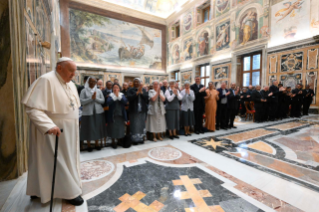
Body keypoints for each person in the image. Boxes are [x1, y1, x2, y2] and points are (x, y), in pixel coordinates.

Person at [22, 57, 83, 205]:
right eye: (70, 71)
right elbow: (32, 108)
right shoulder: (46, 80)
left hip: (70, 131)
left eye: (74, 72)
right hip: (53, 131)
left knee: (66, 159)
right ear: (59, 67)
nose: (73, 75)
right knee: (55, 160)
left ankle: (39, 189)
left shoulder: (71, 84)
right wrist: (48, 126)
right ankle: (69, 192)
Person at [80, 77, 106, 152]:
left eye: (94, 82)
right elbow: (81, 102)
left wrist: (95, 99)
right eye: (91, 81)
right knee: (88, 128)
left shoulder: (98, 91)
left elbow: (103, 101)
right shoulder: (84, 91)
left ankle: (97, 144)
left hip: (98, 112)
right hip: (88, 112)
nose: (92, 83)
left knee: (97, 128)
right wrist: (91, 98)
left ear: (96, 83)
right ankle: (88, 145)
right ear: (88, 82)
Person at [127, 78, 148, 144]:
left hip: (142, 110)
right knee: (134, 125)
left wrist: (141, 93)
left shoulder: (143, 89)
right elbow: (129, 98)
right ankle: (134, 140)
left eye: (137, 82)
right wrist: (136, 93)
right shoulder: (130, 90)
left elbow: (147, 98)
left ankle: (141, 138)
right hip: (134, 110)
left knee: (141, 125)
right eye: (135, 82)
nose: (136, 83)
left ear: (140, 83)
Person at [107, 83, 128, 149]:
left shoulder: (122, 95)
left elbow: (125, 102)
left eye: (117, 88)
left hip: (120, 115)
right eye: (114, 88)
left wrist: (118, 96)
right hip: (113, 115)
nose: (115, 89)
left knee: (120, 129)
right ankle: (113, 142)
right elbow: (108, 102)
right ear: (112, 89)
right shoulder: (110, 95)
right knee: (113, 129)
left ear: (119, 89)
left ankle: (119, 141)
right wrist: (115, 96)